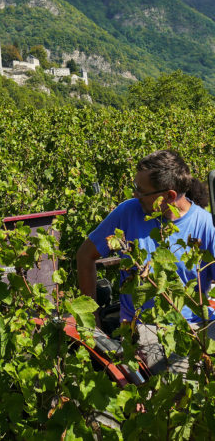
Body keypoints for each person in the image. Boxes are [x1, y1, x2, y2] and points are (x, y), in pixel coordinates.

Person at [77, 149, 215, 374]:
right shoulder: (128, 212)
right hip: (146, 327)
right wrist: (91, 321)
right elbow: (85, 256)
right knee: (180, 383)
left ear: (170, 196)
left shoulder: (206, 225)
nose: (135, 194)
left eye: (141, 191)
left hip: (197, 325)